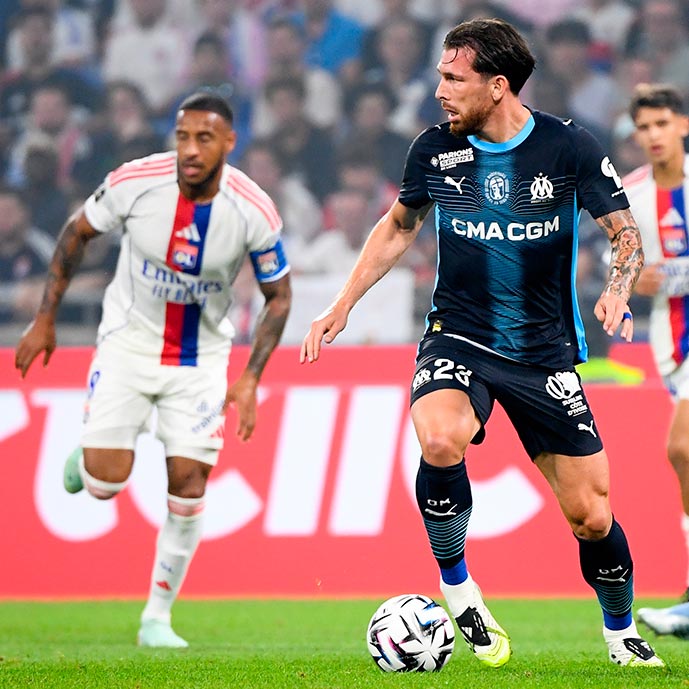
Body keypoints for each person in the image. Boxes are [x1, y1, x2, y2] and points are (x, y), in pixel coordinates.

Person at [300, 18, 665, 668]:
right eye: (440, 77)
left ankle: (620, 631)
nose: (440, 91)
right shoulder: (434, 150)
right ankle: (457, 586)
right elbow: (398, 226)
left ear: (497, 86)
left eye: (453, 78)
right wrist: (342, 303)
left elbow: (624, 232)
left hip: (542, 354)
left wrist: (617, 287)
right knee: (440, 438)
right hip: (457, 337)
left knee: (590, 516)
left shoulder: (566, 146)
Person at [14, 92, 292, 647]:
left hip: (200, 361)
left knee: (189, 485)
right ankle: (90, 456)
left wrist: (250, 377)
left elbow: (278, 296)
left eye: (204, 138)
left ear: (229, 143)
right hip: (128, 346)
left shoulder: (253, 210)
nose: (190, 149)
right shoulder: (135, 182)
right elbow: (76, 233)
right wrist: (45, 319)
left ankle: (156, 618)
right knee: (103, 486)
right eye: (183, 136)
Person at [622, 84, 689, 635]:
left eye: (662, 123)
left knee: (682, 448)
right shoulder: (632, 196)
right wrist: (631, 279)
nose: (653, 136)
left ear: (683, 125)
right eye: (644, 128)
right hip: (672, 348)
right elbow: (621, 266)